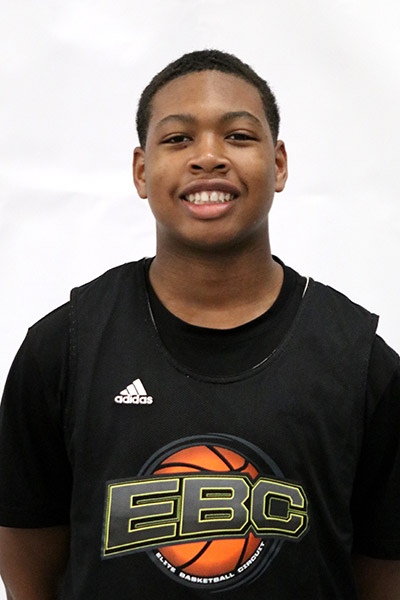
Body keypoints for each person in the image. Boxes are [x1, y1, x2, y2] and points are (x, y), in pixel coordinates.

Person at [0, 49, 399, 600]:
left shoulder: (361, 364)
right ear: (142, 171)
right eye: (178, 138)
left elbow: (382, 574)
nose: (208, 157)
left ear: (279, 164)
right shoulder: (63, 348)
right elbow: (29, 565)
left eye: (238, 136)